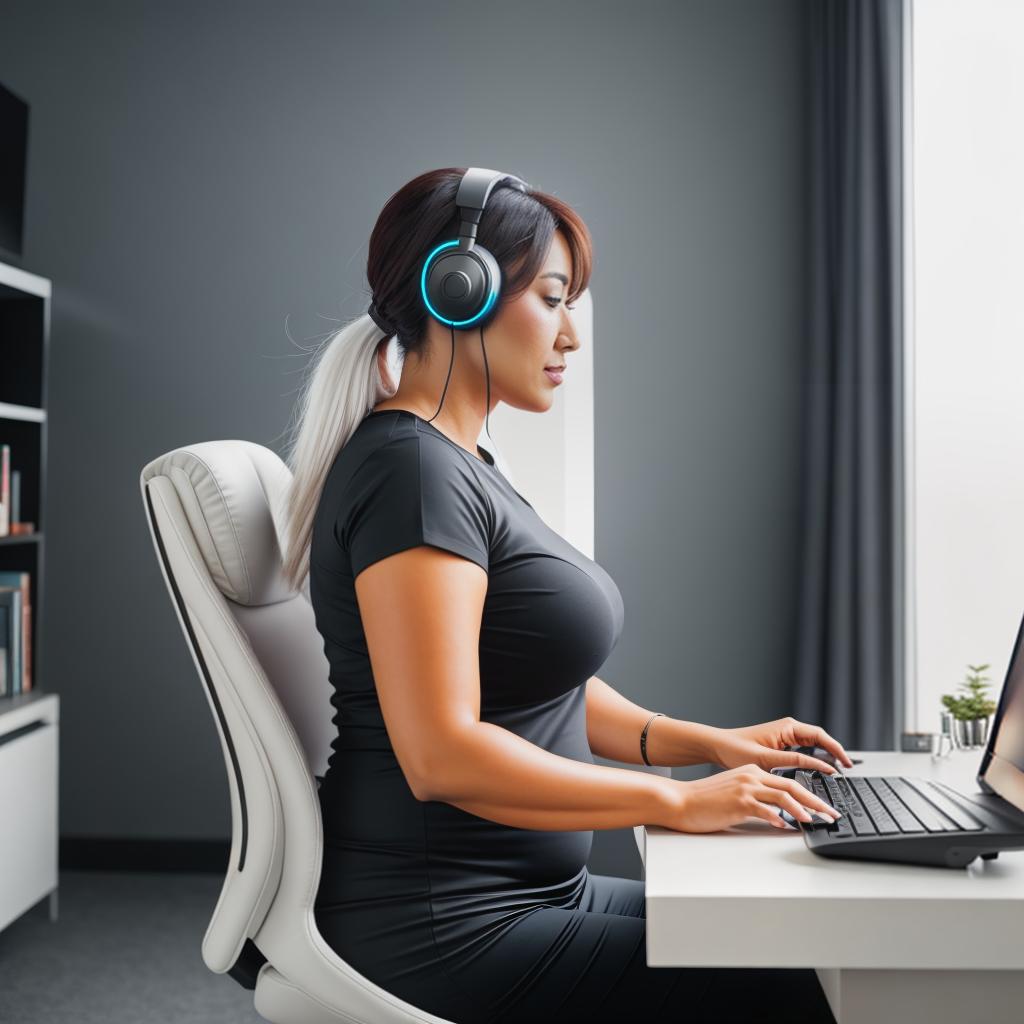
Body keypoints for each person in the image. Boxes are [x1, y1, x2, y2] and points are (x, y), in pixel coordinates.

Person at [281, 167, 849, 1024]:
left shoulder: (459, 463)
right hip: (446, 925)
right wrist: (677, 801)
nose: (571, 337)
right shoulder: (413, 476)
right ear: (459, 290)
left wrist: (707, 744)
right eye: (552, 299)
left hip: (529, 896)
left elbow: (533, 682)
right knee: (785, 983)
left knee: (796, 938)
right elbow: (441, 754)